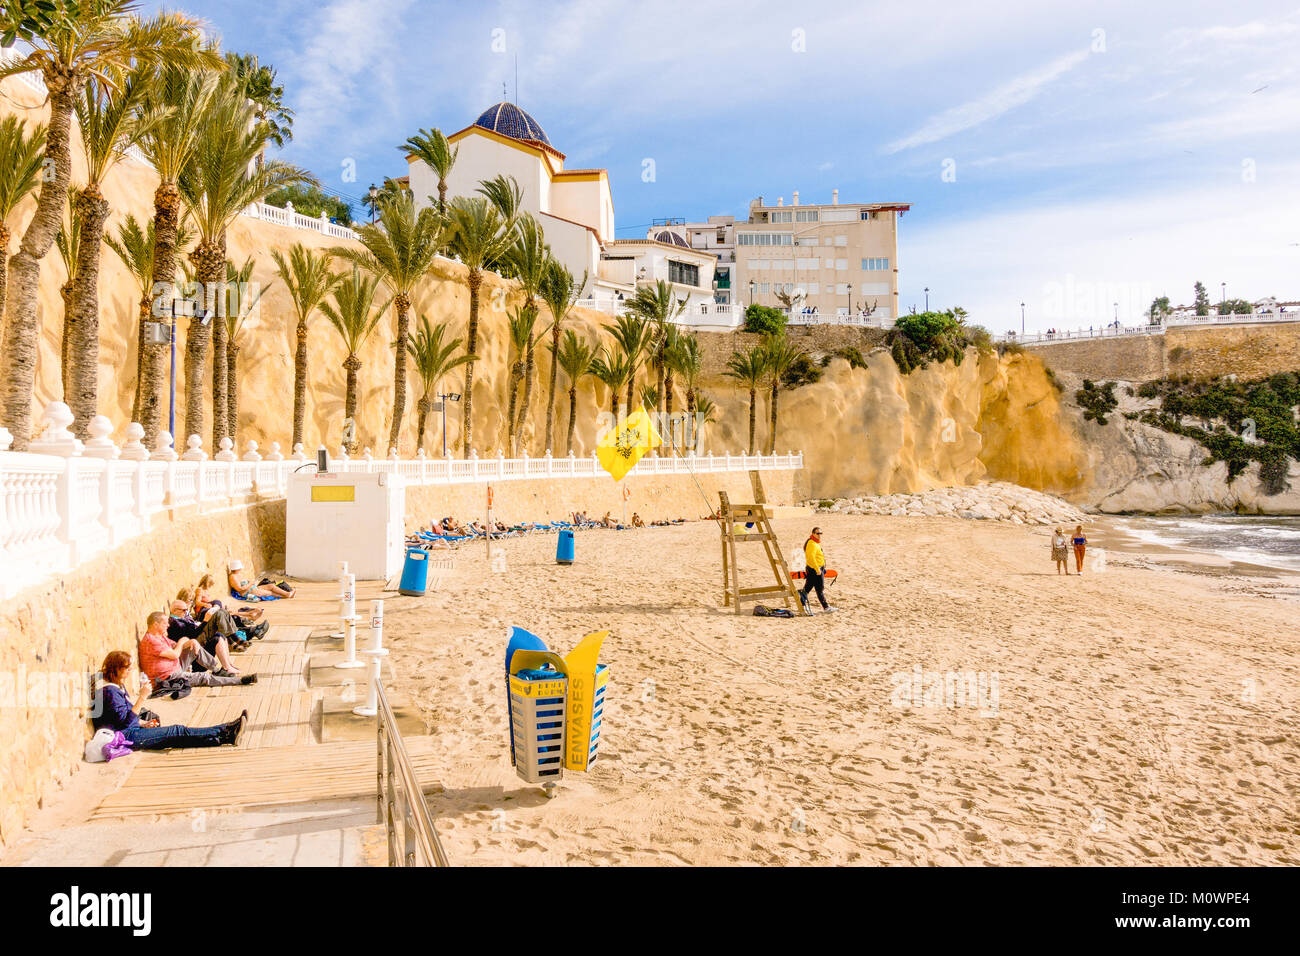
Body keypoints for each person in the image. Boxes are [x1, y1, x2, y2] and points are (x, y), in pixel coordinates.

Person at [94, 651, 245, 750]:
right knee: (177, 731)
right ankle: (224, 730)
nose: (130, 671)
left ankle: (224, 736)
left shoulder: (117, 685)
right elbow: (124, 724)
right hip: (127, 737)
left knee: (175, 738)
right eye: (127, 668)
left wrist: (142, 723)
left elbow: (124, 717)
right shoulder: (110, 692)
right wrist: (142, 698)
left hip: (132, 730)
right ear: (116, 669)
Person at [139, 611, 256, 688]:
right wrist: (182, 641)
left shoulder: (159, 636)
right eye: (165, 623)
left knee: (194, 645)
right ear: (155, 624)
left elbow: (176, 646)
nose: (168, 626)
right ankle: (240, 681)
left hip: (176, 667)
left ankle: (216, 669)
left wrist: (190, 641)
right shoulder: (151, 641)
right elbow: (174, 654)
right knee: (203, 678)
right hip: (169, 677)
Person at [799, 526, 837, 614]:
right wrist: (817, 569)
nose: (819, 535)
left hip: (816, 569)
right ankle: (826, 607)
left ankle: (802, 604)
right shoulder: (812, 544)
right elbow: (811, 558)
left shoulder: (815, 543)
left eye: (821, 533)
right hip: (815, 570)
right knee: (819, 589)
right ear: (813, 534)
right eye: (817, 533)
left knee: (808, 588)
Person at [228, 560, 294, 600]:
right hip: (249, 592)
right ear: (236, 568)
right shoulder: (233, 577)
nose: (240, 569)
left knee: (271, 586)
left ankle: (287, 593)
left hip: (253, 588)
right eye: (239, 568)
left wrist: (252, 583)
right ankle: (286, 595)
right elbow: (240, 589)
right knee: (270, 593)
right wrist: (250, 583)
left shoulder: (237, 574)